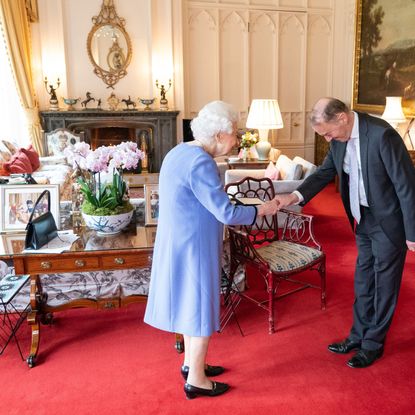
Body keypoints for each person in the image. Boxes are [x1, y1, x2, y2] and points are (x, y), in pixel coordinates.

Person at [144, 100, 279, 398]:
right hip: (195, 245)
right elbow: (226, 213)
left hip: (178, 239)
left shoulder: (179, 151)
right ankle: (196, 380)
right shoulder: (201, 162)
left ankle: (192, 364)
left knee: (191, 303)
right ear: (219, 134)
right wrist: (263, 209)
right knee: (201, 305)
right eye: (235, 133)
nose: (238, 140)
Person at [274, 97, 415, 368]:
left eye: (328, 132)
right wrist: (292, 196)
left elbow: (406, 185)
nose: (327, 138)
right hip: (361, 218)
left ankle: (373, 344)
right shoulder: (338, 141)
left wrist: (412, 232)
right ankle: (358, 335)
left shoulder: (382, 135)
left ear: (342, 117)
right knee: (363, 279)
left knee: (385, 284)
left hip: (389, 222)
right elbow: (325, 173)